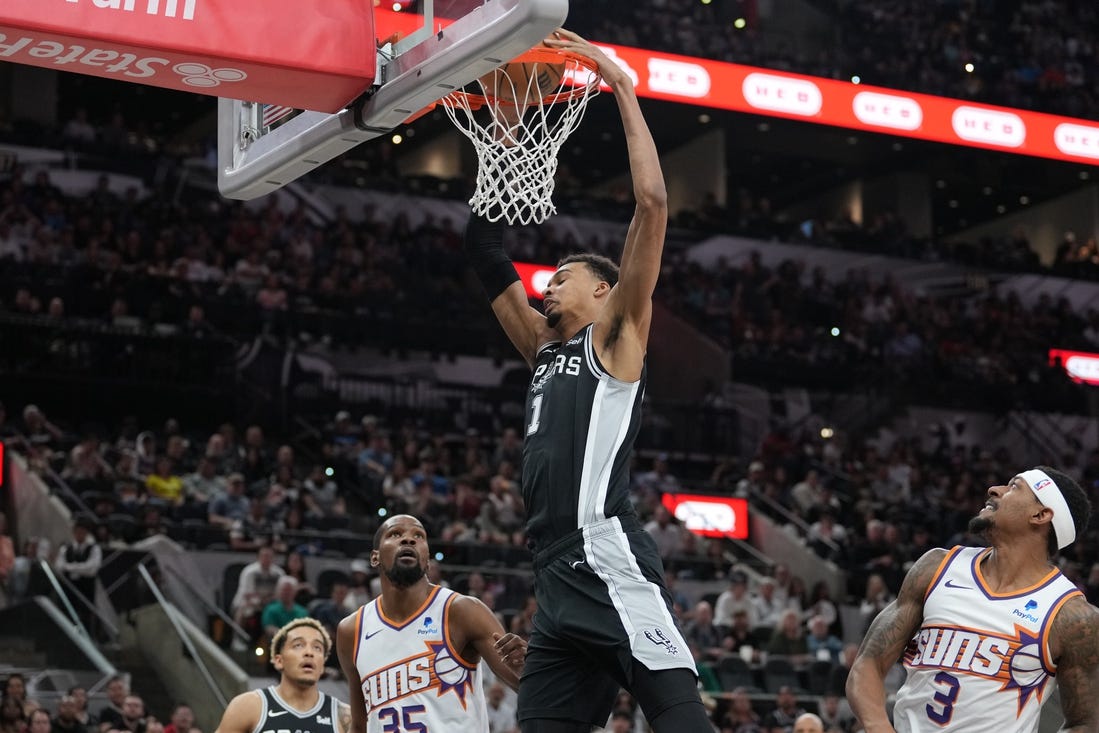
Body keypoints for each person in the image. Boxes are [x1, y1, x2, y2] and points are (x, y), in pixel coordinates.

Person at [462, 28, 708, 732]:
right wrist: (503, 129)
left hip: (607, 556)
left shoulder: (618, 335)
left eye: (562, 278)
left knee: (680, 720)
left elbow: (653, 204)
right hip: (552, 579)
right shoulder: (541, 348)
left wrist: (620, 87)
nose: (547, 287)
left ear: (604, 292)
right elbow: (481, 246)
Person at [847, 466, 1099, 732]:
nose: (994, 489)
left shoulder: (1071, 616)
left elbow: (1085, 723)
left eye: (1014, 487)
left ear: (1040, 514)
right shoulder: (937, 568)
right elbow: (868, 664)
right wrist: (879, 728)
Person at [335, 514, 526, 732]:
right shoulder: (352, 630)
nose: (409, 539)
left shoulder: (462, 611)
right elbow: (360, 726)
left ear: (427, 560)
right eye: (395, 534)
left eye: (418, 535)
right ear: (375, 557)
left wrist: (525, 668)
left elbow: (527, 686)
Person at [214, 618, 349, 733]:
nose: (309, 652)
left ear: (322, 666)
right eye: (298, 645)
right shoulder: (247, 706)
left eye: (317, 647)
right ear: (279, 661)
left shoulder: (345, 717)